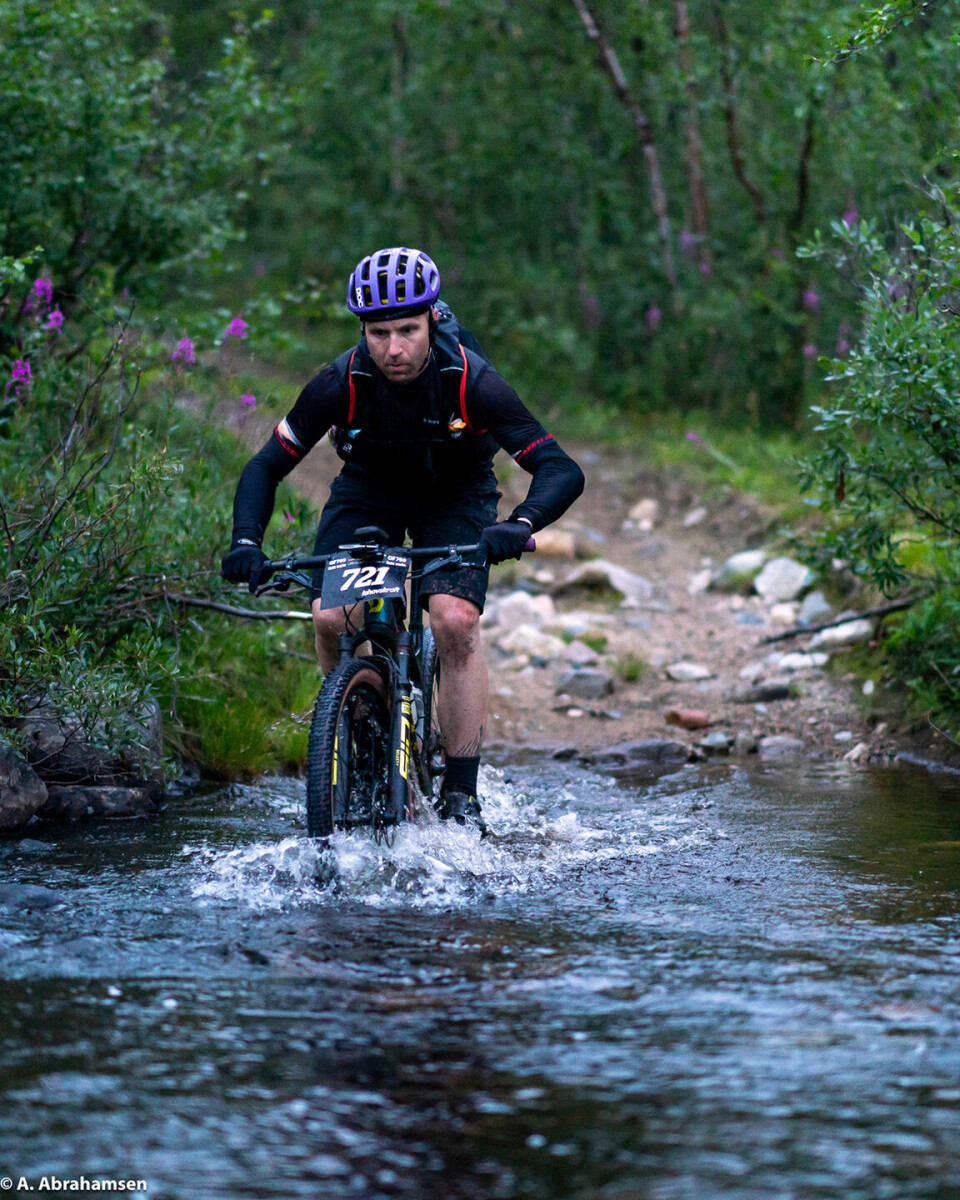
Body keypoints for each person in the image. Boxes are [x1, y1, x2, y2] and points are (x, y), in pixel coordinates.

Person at [222, 246, 584, 831]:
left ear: (432, 319)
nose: (393, 349)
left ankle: (462, 794)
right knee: (332, 620)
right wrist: (245, 542)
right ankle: (363, 731)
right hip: (369, 491)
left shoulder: (473, 380)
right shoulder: (338, 382)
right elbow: (266, 466)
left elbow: (560, 467)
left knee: (453, 620)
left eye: (408, 331)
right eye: (379, 333)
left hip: (457, 494)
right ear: (363, 330)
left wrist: (519, 523)